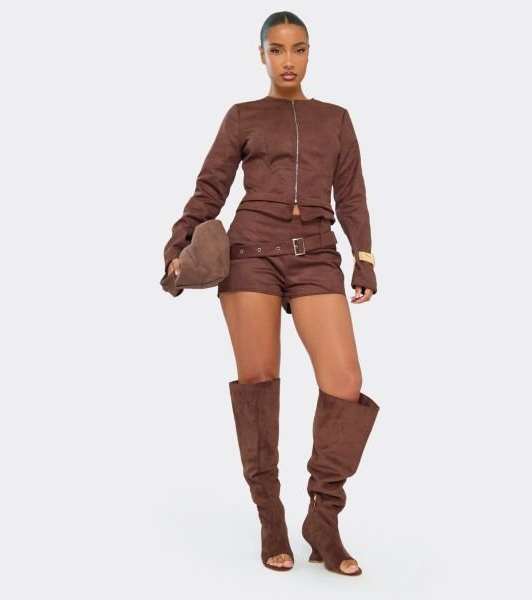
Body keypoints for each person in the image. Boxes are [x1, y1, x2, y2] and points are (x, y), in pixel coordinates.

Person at [161, 11, 380, 577]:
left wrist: (364, 257)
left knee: (345, 381)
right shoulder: (243, 115)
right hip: (250, 253)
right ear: (261, 55)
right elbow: (211, 187)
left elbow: (352, 195)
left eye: (298, 49)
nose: (288, 60)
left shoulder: (336, 119)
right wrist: (178, 247)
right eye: (277, 50)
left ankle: (323, 519)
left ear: (310, 53)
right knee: (258, 380)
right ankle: (271, 518)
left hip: (317, 255)